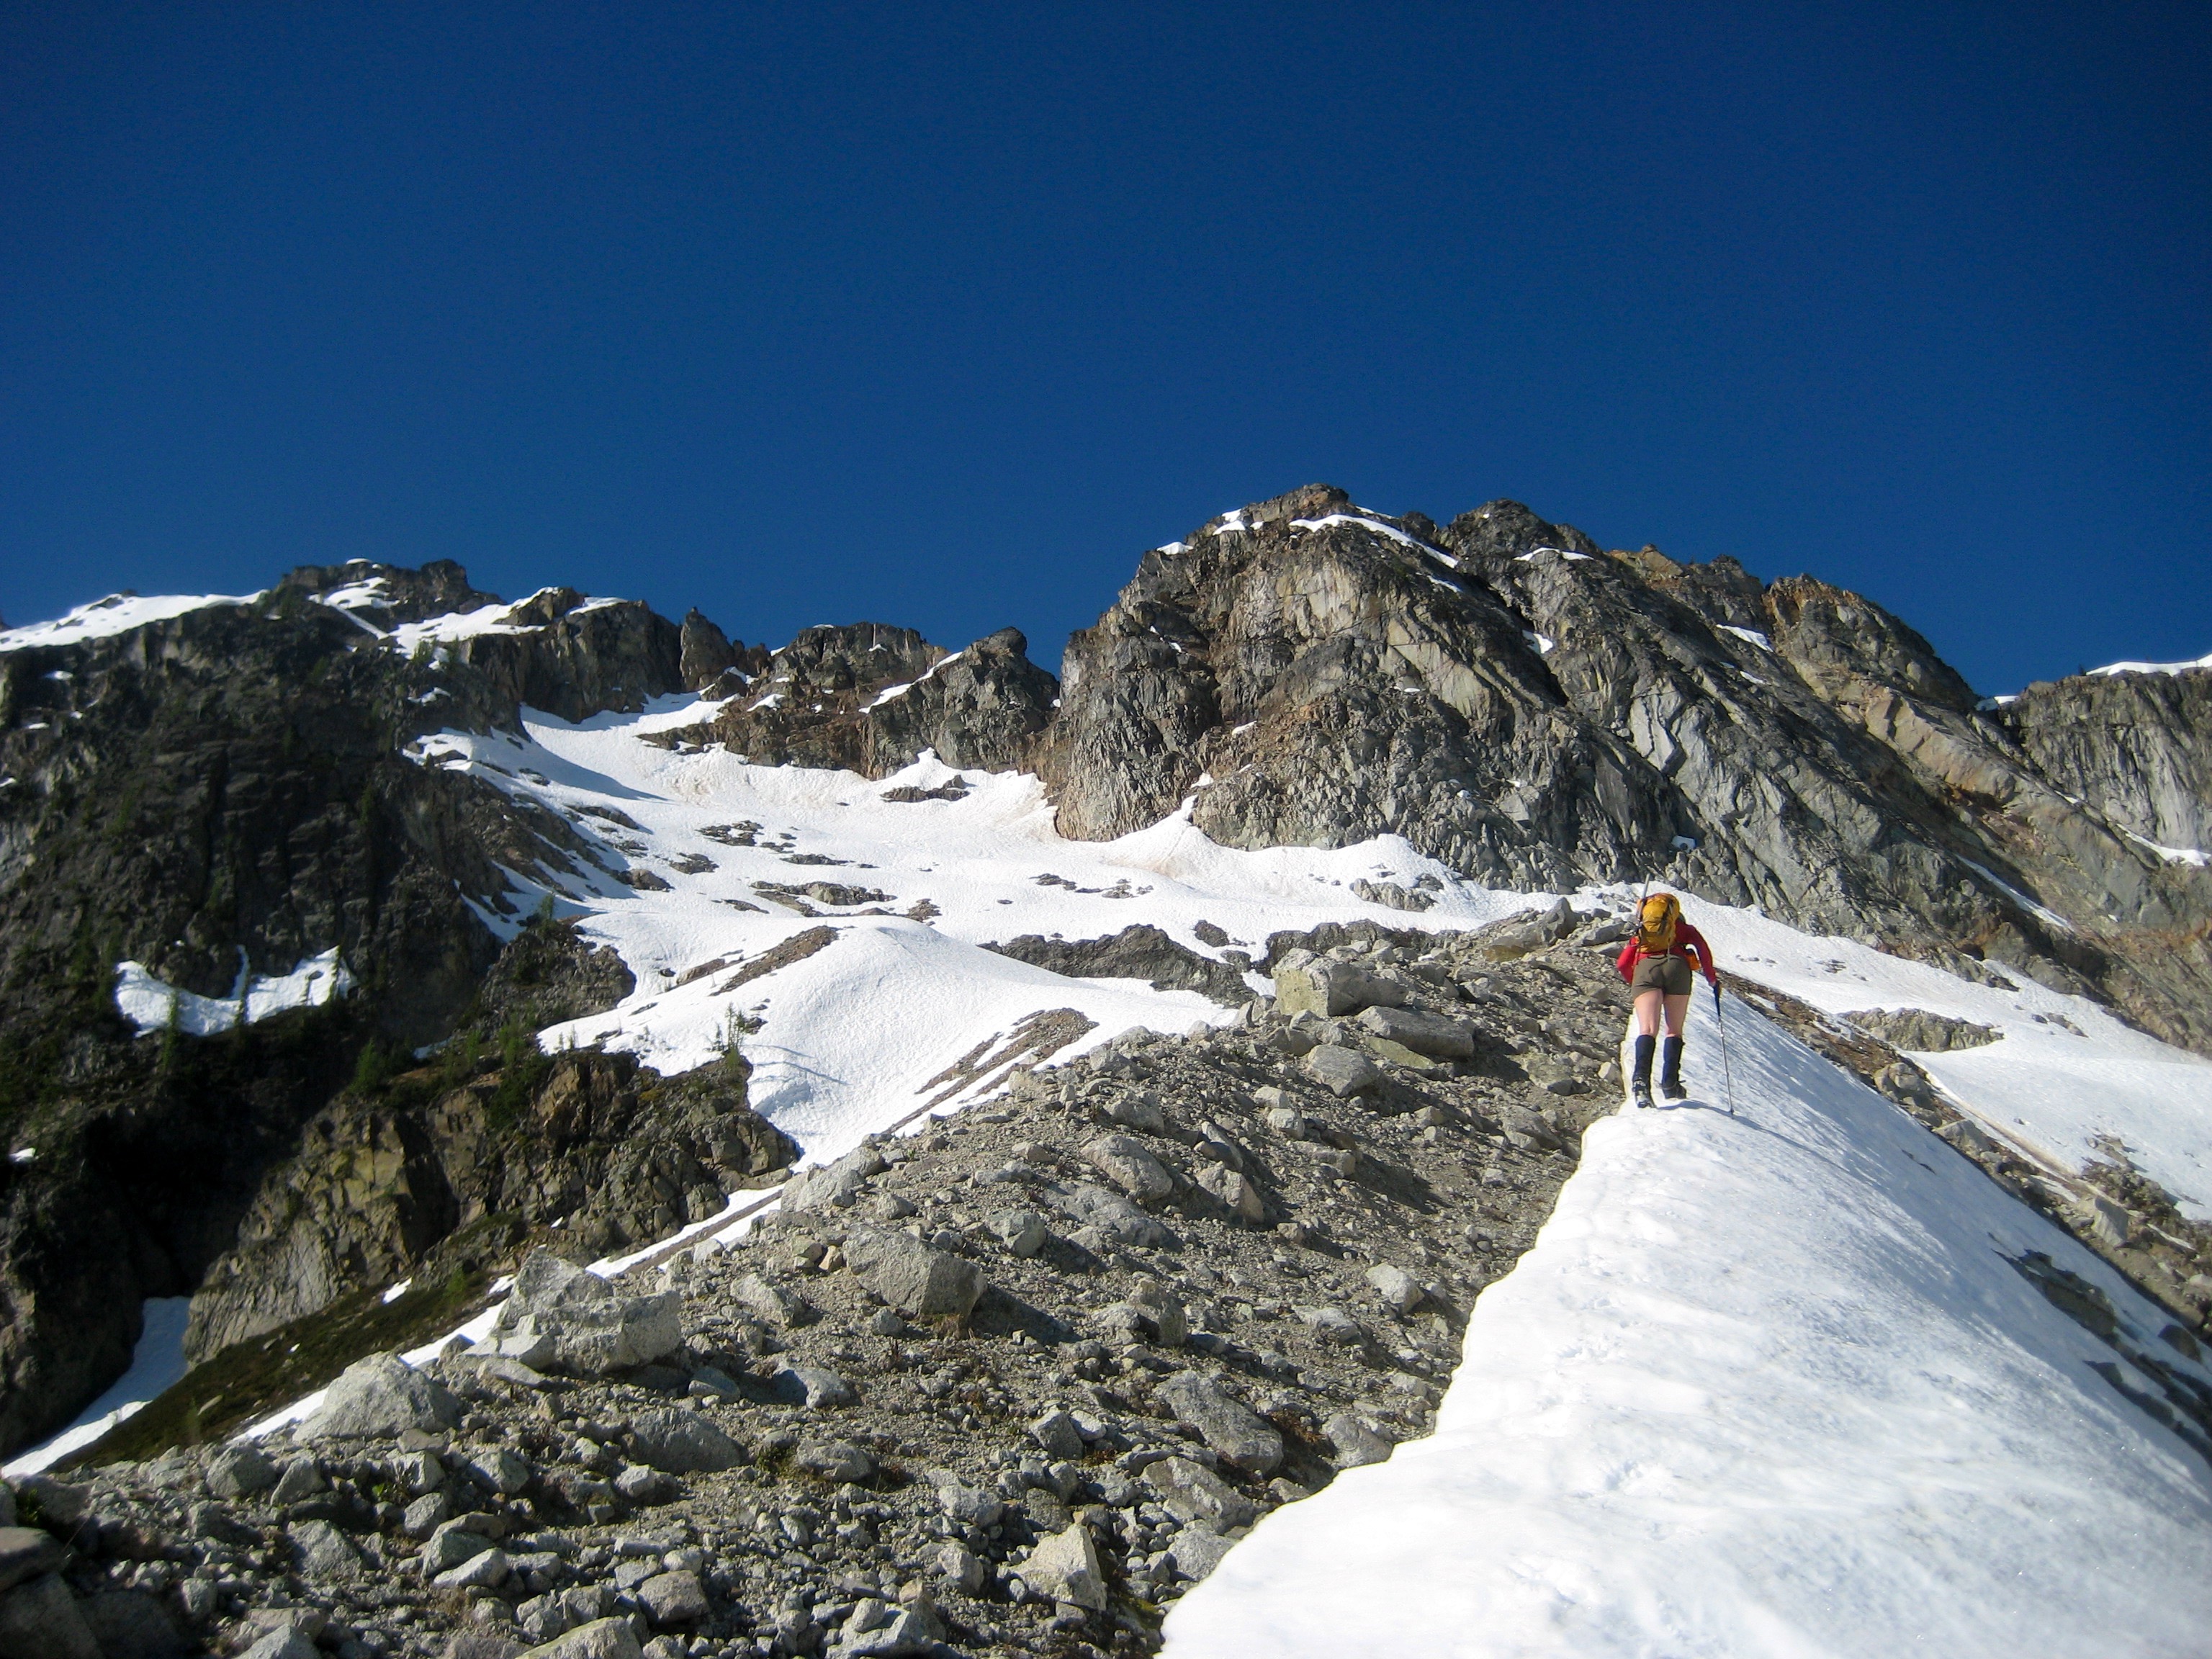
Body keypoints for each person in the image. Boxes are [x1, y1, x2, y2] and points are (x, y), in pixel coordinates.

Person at [1614, 891, 1718, 1105]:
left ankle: (1641, 1083)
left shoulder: (1642, 932)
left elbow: (1622, 964)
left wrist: (1637, 982)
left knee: (1648, 1030)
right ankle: (1671, 1083)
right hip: (1678, 969)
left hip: (1646, 969)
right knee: (1674, 1030)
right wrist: (1712, 979)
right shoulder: (1684, 929)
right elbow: (1704, 952)